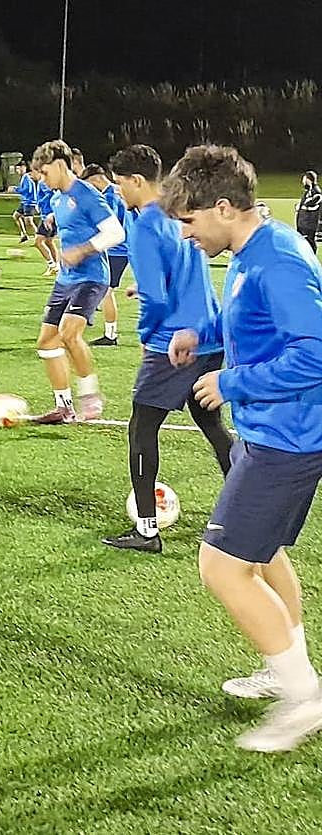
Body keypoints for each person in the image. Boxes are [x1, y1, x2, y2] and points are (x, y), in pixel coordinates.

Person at [163, 144, 322, 752]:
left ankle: (303, 696)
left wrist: (231, 382)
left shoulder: (275, 259)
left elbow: (312, 353)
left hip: (288, 436)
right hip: (280, 431)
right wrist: (202, 334)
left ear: (223, 207)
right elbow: (259, 326)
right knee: (264, 556)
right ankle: (289, 668)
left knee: (222, 567)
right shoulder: (260, 246)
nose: (185, 231)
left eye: (190, 219)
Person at [100, 145, 232, 554]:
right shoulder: (182, 213)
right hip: (210, 335)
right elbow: (183, 271)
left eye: (120, 183)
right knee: (211, 424)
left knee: (141, 429)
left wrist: (144, 334)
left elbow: (156, 299)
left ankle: (146, 530)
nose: (118, 191)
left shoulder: (143, 225)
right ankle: (244, 508)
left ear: (137, 181)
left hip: (173, 343)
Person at [30, 139, 124, 424]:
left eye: (45, 173)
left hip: (92, 276)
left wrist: (83, 250)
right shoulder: (57, 198)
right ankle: (63, 407)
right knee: (47, 341)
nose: (43, 180)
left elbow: (115, 233)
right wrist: (49, 223)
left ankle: (91, 395)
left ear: (60, 165)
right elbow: (66, 221)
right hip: (66, 278)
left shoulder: (85, 193)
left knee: (70, 334)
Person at [81, 163, 132, 347]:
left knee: (106, 291)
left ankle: (110, 335)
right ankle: (87, 317)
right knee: (101, 289)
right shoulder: (117, 193)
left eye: (88, 184)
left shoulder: (110, 196)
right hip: (118, 249)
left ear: (95, 179)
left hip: (116, 250)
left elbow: (105, 224)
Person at [32, 166, 60, 276]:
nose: (31, 175)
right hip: (53, 215)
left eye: (33, 172)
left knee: (38, 242)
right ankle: (57, 266)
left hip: (48, 216)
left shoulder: (42, 183)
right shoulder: (47, 182)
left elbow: (51, 194)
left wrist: (40, 204)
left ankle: (51, 265)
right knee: (49, 241)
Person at [12, 162, 39, 243]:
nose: (17, 171)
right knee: (16, 216)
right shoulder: (24, 177)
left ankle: (39, 238)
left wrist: (15, 189)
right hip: (25, 202)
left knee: (29, 222)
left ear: (23, 168)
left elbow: (28, 190)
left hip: (29, 202)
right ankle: (24, 235)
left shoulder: (26, 177)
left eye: (18, 168)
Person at [295, 170, 322, 254]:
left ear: (308, 180)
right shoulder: (308, 192)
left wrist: (303, 206)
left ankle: (311, 259)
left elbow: (313, 204)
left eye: (304, 179)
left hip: (309, 224)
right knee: (303, 242)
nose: (303, 181)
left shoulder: (316, 192)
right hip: (303, 223)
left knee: (309, 242)